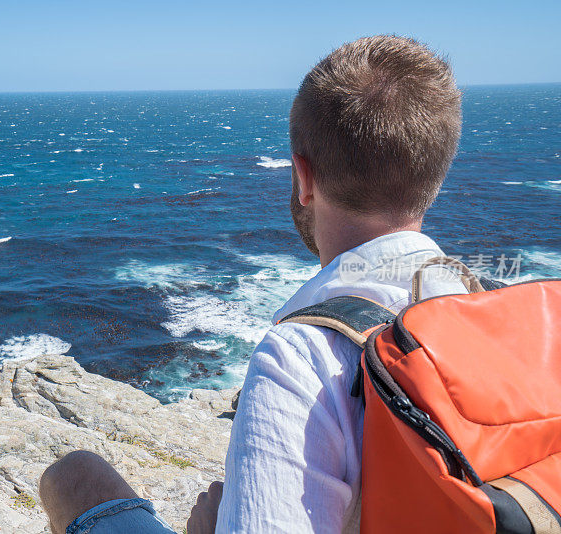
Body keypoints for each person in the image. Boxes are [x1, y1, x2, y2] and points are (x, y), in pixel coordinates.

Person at [39, 34, 466, 534]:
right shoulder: (506, 320)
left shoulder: (300, 359)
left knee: (74, 479)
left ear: (303, 176)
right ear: (434, 175)